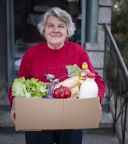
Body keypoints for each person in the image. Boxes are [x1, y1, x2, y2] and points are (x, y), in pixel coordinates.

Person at [8, 7, 105, 144]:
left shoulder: (78, 52)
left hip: (72, 119)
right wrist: (14, 103)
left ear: (67, 31)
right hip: (37, 118)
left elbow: (97, 81)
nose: (55, 30)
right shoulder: (31, 54)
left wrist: (97, 101)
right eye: (50, 26)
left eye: (61, 26)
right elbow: (17, 84)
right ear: (44, 30)